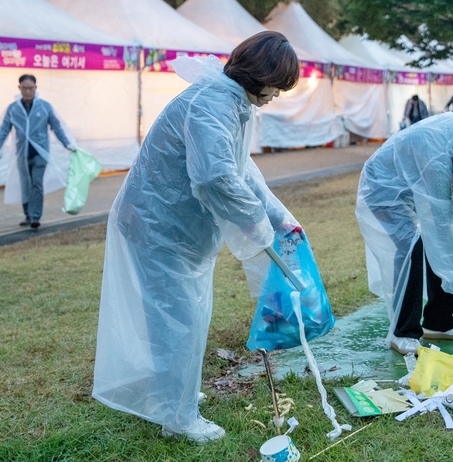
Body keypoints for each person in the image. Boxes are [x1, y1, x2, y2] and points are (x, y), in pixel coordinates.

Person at [91, 32, 301, 444]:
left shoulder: (230, 103)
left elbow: (242, 171)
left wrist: (279, 218)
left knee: (185, 317)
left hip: (174, 230)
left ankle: (176, 393)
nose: (278, 94)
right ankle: (179, 417)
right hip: (159, 228)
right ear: (262, 74)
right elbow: (216, 179)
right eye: (278, 84)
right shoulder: (213, 104)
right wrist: (258, 228)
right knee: (178, 320)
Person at [355, 113, 453, 355]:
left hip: (411, 182)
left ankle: (437, 323)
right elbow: (442, 225)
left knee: (433, 246)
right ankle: (402, 332)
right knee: (412, 249)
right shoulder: (436, 160)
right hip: (383, 189)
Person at [0, 74, 76, 228]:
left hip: (40, 154)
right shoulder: (14, 109)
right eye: (24, 88)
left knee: (37, 183)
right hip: (22, 154)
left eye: (31, 88)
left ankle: (35, 216)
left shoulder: (44, 107)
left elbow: (56, 127)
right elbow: (4, 130)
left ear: (36, 88)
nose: (28, 91)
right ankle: (28, 214)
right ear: (19, 88)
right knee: (25, 184)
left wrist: (67, 144)